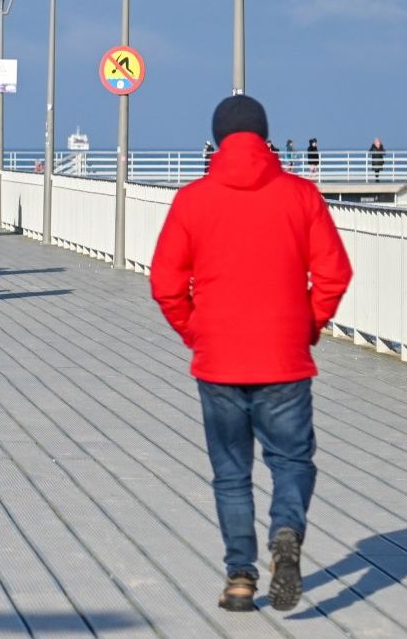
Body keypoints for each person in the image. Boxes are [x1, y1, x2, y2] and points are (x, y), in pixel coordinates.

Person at [149, 95, 352, 614]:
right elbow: (333, 273)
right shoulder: (301, 195)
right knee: (291, 460)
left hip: (218, 357)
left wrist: (194, 331)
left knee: (231, 471)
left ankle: (240, 578)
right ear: (265, 135)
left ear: (218, 139)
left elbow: (167, 282)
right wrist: (308, 324)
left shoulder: (193, 199)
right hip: (284, 356)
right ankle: (286, 528)